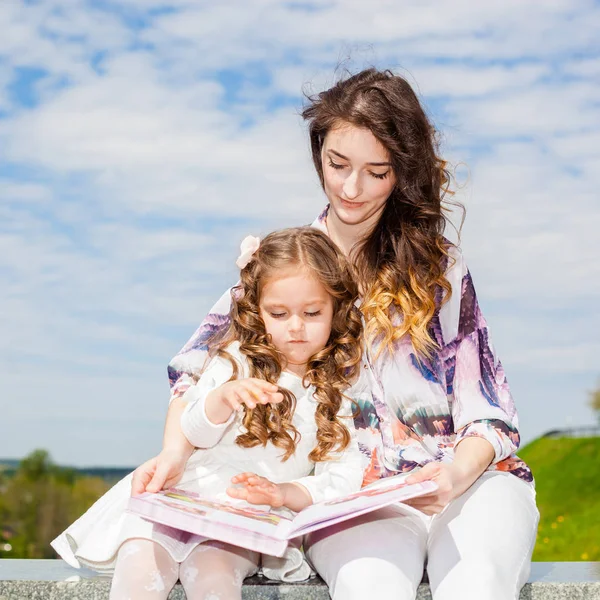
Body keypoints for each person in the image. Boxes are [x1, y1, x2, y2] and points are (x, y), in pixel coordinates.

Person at [131, 68, 539, 600]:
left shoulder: (440, 269)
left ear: (403, 171)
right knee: (371, 588)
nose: (352, 188)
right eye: (338, 164)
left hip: (470, 483)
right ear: (317, 154)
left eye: (376, 171)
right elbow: (196, 372)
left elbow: (487, 407)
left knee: (475, 584)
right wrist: (175, 454)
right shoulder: (286, 265)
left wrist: (455, 477)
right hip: (350, 496)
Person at [51, 227, 369, 600]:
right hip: (182, 496)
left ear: (337, 309)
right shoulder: (235, 360)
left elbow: (342, 476)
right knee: (140, 569)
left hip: (240, 519)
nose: (295, 327)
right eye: (279, 313)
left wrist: (283, 492)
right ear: (258, 310)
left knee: (215, 576)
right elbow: (194, 432)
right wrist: (221, 398)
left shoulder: (338, 390)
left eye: (312, 312)